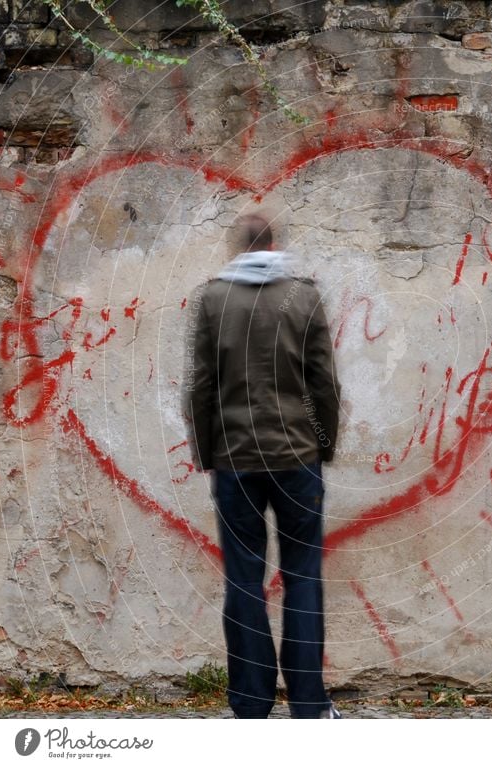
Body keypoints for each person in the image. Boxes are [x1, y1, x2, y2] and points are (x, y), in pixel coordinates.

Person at [183, 214, 342, 719]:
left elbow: (201, 387)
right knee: (302, 578)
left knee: (244, 582)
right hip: (297, 460)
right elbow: (324, 385)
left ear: (238, 246)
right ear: (274, 244)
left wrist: (209, 454)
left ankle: (251, 705)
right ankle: (309, 705)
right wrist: (324, 444)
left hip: (235, 463)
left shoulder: (212, 300)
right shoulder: (304, 297)